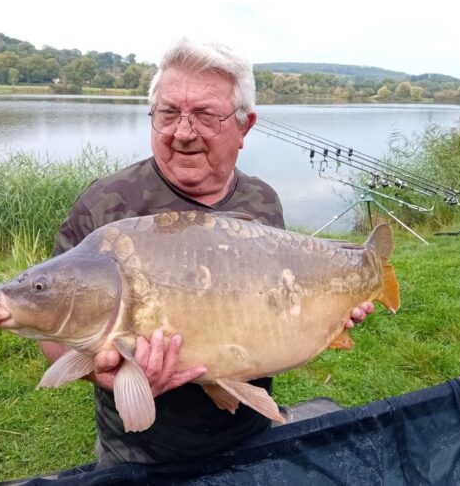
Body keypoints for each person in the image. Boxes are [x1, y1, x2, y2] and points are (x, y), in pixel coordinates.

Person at [40, 38, 374, 467]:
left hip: (249, 426)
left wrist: (330, 310)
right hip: (140, 449)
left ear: (244, 126)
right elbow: (54, 327)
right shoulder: (105, 204)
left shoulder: (262, 200)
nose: (183, 132)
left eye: (204, 115)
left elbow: (286, 295)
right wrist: (97, 371)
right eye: (168, 113)